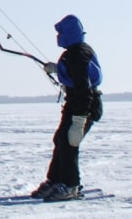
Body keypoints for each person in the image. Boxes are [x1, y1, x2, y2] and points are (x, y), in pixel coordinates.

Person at [33, 14, 103, 201]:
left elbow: (83, 88)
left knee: (69, 143)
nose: (58, 36)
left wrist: (79, 120)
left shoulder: (78, 54)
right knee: (60, 140)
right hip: (75, 103)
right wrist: (56, 68)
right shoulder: (74, 52)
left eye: (61, 32)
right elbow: (73, 71)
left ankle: (71, 185)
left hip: (84, 105)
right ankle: (55, 180)